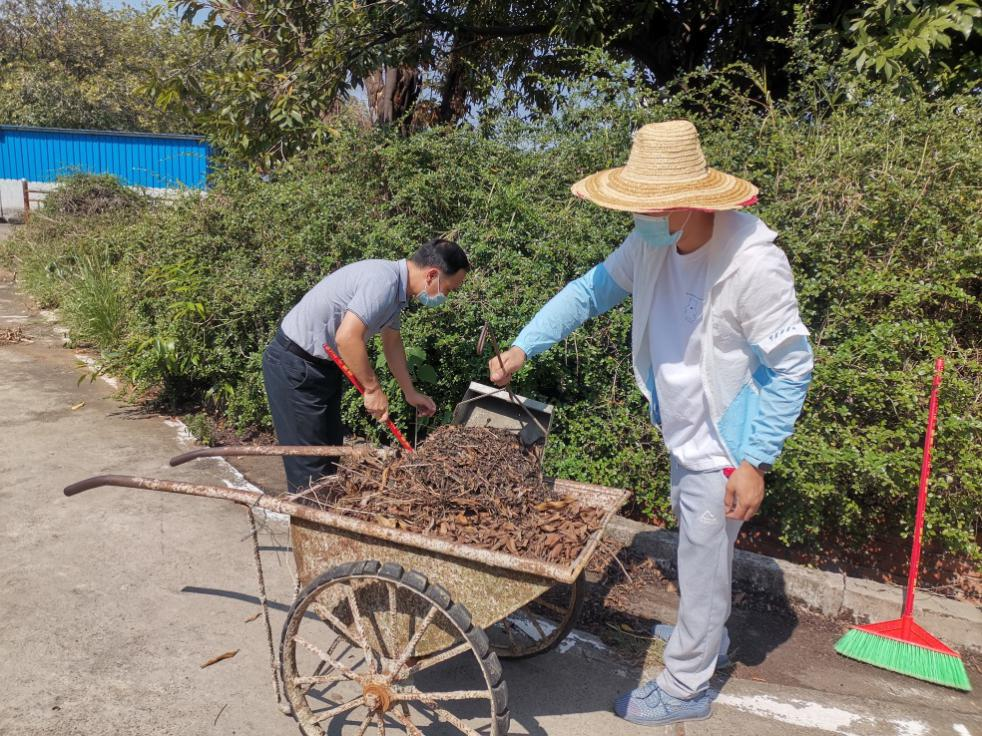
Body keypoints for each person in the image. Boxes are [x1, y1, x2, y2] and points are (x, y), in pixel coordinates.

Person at [488, 120, 813, 726]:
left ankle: (688, 682)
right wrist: (524, 347)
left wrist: (754, 461)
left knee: (703, 559)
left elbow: (790, 368)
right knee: (699, 553)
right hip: (683, 430)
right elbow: (589, 293)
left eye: (647, 202)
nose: (637, 212)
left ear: (688, 200)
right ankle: (703, 639)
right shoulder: (652, 244)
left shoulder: (752, 265)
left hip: (724, 443)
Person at [264, 238, 469, 492]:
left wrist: (410, 392)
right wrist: (372, 390)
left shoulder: (397, 293)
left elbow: (392, 343)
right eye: (448, 289)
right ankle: (312, 526)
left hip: (323, 368)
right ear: (432, 275)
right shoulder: (383, 281)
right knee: (309, 470)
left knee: (329, 456)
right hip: (294, 366)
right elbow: (347, 337)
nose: (446, 297)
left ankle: (325, 524)